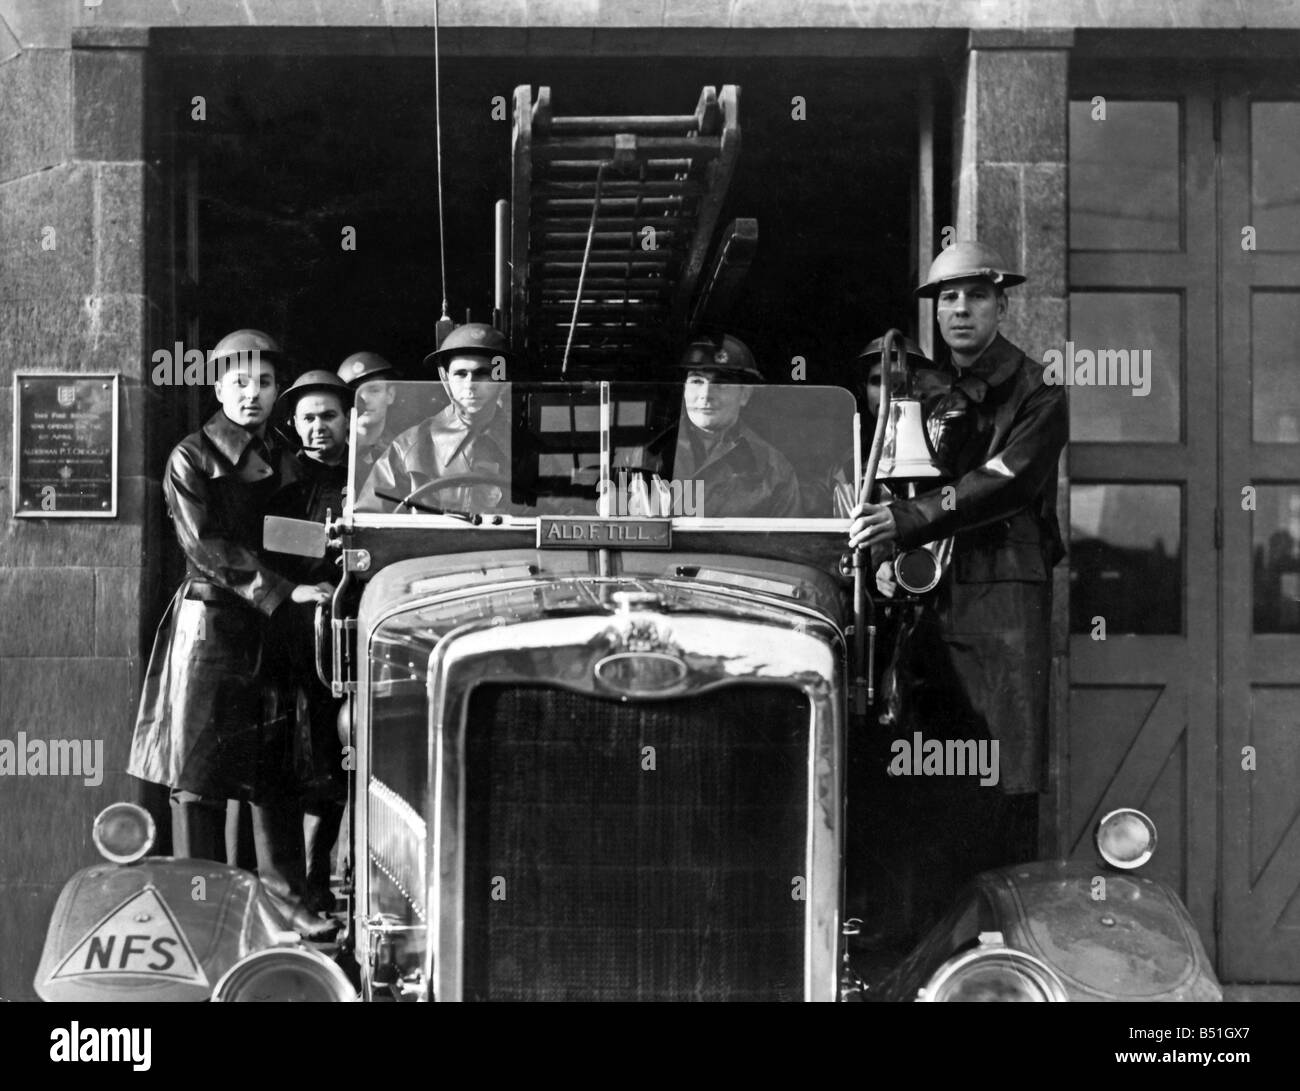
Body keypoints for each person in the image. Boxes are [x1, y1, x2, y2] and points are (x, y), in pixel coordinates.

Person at [847, 241, 1068, 924]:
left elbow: (1003, 482)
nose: (960, 309)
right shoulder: (922, 392)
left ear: (1002, 303)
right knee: (925, 770)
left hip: (1003, 601)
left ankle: (999, 959)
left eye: (975, 295)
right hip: (931, 604)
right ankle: (923, 949)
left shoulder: (1041, 391)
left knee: (1001, 778)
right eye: (947, 297)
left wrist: (906, 519)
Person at [128, 330, 336, 938]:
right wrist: (285, 591)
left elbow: (288, 534)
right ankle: (199, 910)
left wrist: (331, 555)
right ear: (218, 387)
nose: (253, 393)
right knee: (198, 775)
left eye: (265, 382)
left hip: (271, 631)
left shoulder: (287, 454)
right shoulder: (190, 456)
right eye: (240, 382)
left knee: (276, 768)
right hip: (212, 628)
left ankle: (283, 902)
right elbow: (208, 547)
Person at [266, 370, 353, 915]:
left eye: (329, 417)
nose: (319, 428)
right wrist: (326, 538)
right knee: (312, 759)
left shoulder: (370, 471)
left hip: (355, 627)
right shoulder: (282, 475)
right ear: (294, 424)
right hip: (301, 637)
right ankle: (308, 884)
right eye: (309, 418)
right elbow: (268, 535)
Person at [615, 334, 801, 518]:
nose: (705, 394)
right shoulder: (643, 456)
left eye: (720, 383)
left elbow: (789, 545)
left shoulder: (773, 469)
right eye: (696, 381)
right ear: (684, 390)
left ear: (745, 394)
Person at [356, 324, 512, 514]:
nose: (470, 385)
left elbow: (552, 518)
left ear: (502, 378)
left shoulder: (527, 451)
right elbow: (369, 522)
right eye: (460, 374)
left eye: (483, 374)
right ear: (445, 378)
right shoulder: (407, 448)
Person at [337, 351, 400, 468]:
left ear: (390, 395)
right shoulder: (333, 452)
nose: (364, 399)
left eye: (374, 390)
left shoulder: (401, 449)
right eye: (355, 392)